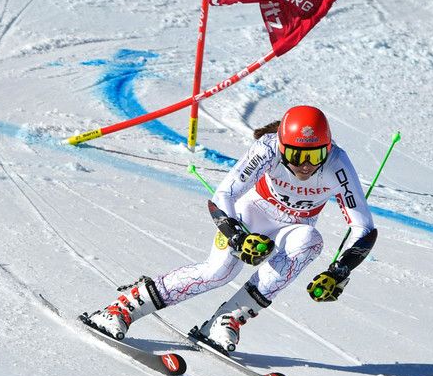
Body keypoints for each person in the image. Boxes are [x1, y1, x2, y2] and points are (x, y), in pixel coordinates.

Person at [85, 105, 378, 352]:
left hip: (295, 227)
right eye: (296, 155)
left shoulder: (337, 164)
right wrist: (237, 236)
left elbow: (363, 227)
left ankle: (226, 320)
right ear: (281, 146)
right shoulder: (267, 148)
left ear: (328, 148)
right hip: (253, 215)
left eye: (314, 156)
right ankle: (123, 307)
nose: (305, 166)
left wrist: (339, 272)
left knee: (310, 241)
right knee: (219, 272)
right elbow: (223, 195)